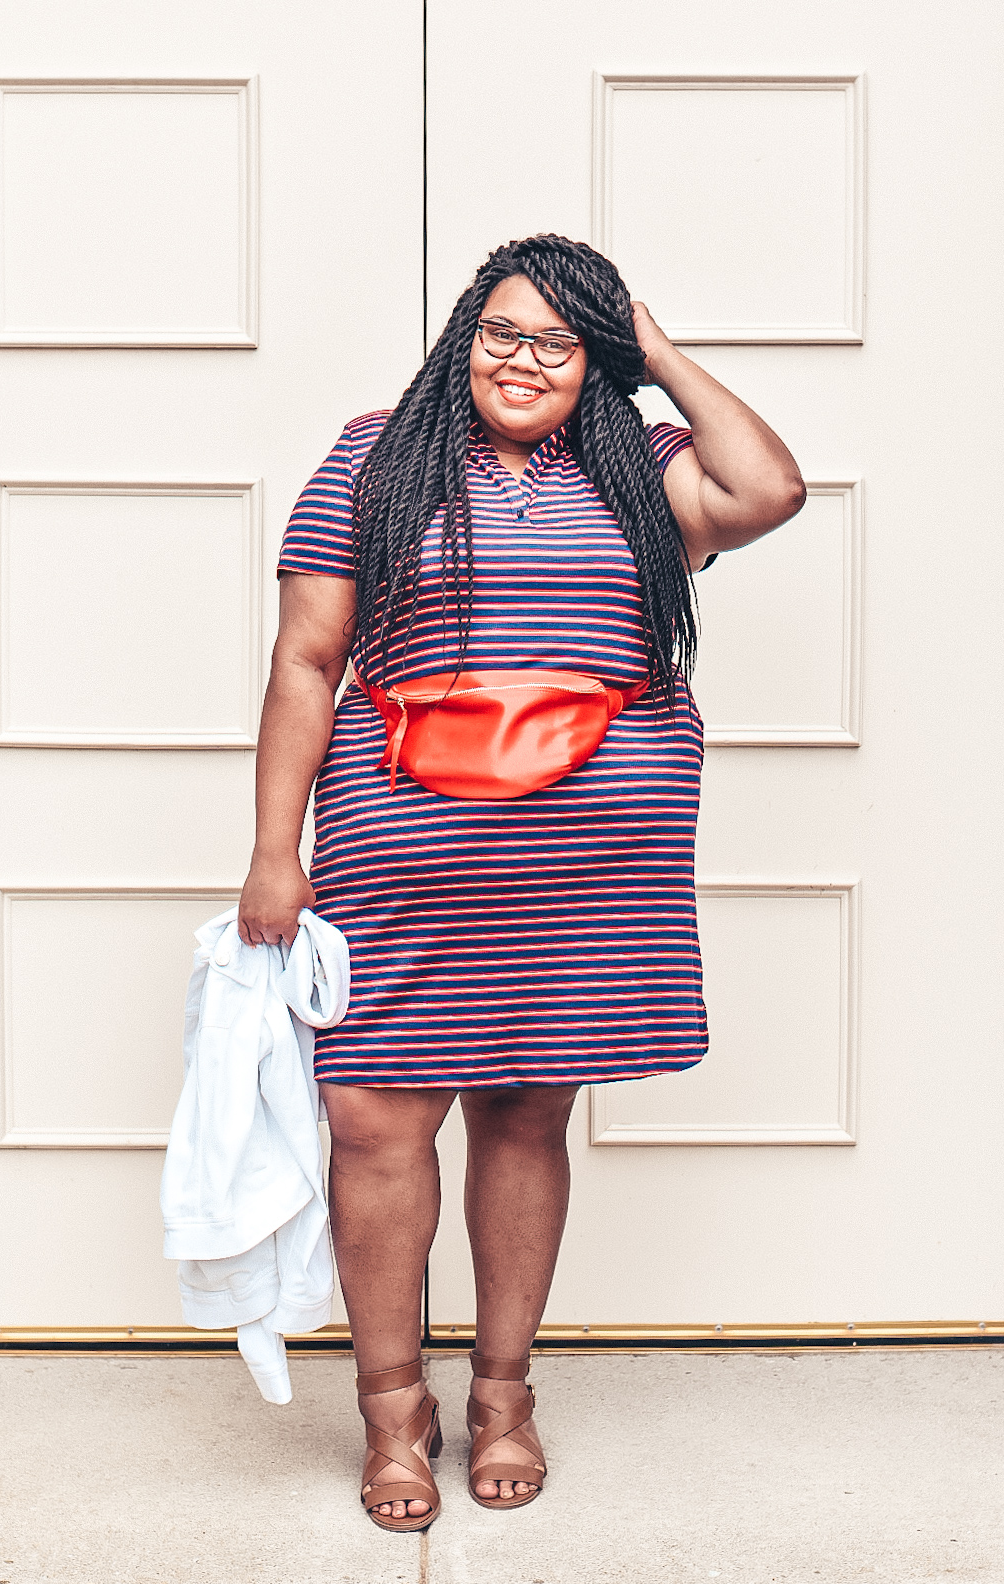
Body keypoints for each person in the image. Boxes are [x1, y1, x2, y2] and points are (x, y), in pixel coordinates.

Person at [237, 234, 804, 1530]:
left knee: (524, 1121)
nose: (525, 359)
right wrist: (276, 852)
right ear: (460, 335)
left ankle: (503, 1396)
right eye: (503, 332)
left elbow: (770, 489)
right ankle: (394, 1411)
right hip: (402, 860)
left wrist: (653, 355)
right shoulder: (377, 456)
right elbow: (305, 664)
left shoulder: (641, 466)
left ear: (594, 358)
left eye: (559, 340)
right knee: (377, 1125)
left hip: (588, 874)